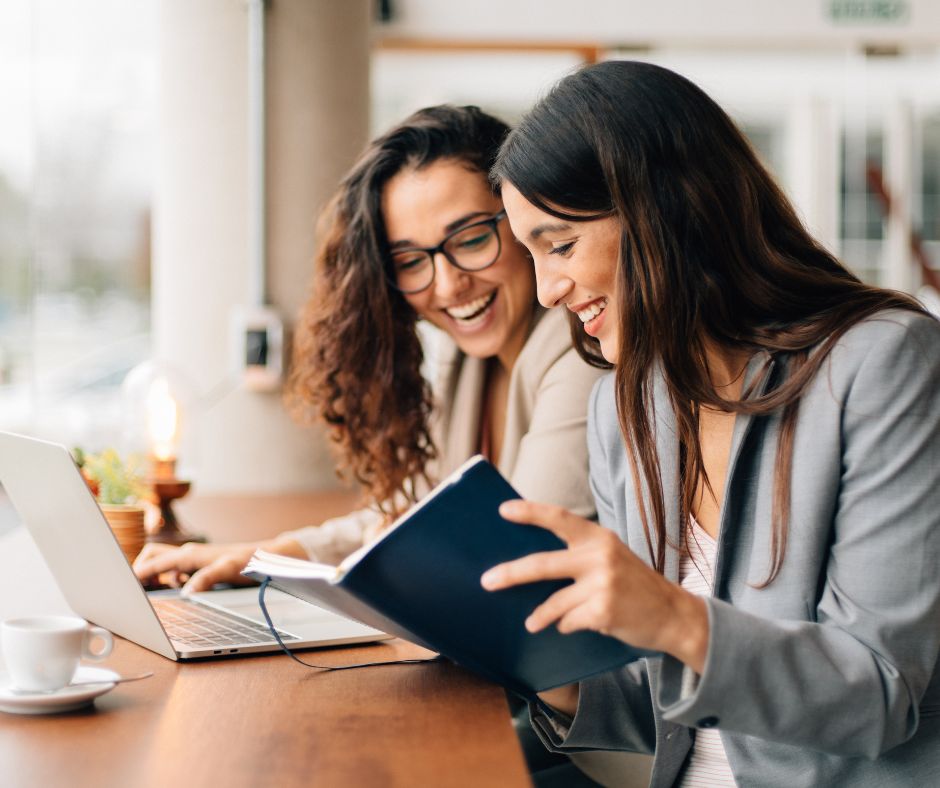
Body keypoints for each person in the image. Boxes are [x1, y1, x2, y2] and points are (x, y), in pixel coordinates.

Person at [483, 59, 940, 787]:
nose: (546, 291)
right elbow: (657, 709)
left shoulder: (884, 363)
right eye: (531, 255)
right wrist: (530, 659)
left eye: (561, 245)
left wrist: (675, 619)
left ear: (667, 208)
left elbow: (880, 693)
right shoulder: (625, 406)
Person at [132, 105, 608, 785]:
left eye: (471, 238)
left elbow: (496, 570)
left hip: (583, 742)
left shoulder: (575, 350)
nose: (447, 286)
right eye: (410, 260)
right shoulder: (470, 362)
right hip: (513, 707)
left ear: (523, 217)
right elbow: (410, 517)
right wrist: (265, 558)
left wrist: (334, 579)